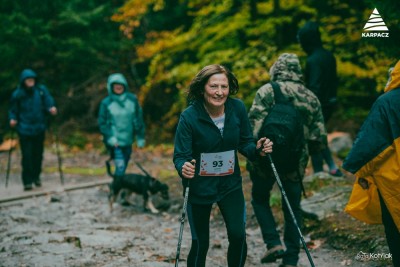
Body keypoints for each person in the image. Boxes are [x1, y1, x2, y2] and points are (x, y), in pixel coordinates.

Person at [173, 64, 273, 267]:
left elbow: (245, 142)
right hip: (199, 186)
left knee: (238, 236)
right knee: (201, 242)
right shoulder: (189, 116)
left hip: (230, 184)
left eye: (224, 87)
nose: (219, 92)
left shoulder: (237, 108)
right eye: (214, 86)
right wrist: (184, 167)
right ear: (203, 89)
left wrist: (258, 150)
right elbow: (180, 155)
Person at [247, 53, 326, 267]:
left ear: (276, 69)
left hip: (266, 159)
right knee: (293, 207)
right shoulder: (311, 97)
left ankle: (273, 243)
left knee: (259, 198)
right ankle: (291, 259)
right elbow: (318, 139)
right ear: (298, 72)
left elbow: (253, 128)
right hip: (295, 163)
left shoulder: (267, 91)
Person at [342, 61, 400, 267]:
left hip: (394, 181)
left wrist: (361, 171)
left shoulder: (388, 103)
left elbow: (372, 146)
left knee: (395, 233)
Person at [297, 21, 343, 177]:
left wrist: (307, 104)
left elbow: (315, 86)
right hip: (330, 102)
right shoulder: (328, 55)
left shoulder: (313, 60)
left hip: (318, 105)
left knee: (313, 137)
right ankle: (331, 167)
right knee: (319, 134)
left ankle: (320, 171)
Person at [98, 73, 145, 202]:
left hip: (128, 140)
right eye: (115, 85)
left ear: (124, 85)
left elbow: (138, 119)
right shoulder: (106, 103)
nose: (118, 87)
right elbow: (102, 123)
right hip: (115, 142)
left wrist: (140, 137)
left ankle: (121, 190)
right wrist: (110, 138)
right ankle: (115, 192)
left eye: (120, 85)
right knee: (120, 166)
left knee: (123, 166)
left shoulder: (132, 100)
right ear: (111, 87)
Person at [9, 68, 57, 191]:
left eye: (32, 80)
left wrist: (51, 108)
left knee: (38, 154)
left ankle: (36, 177)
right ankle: (27, 181)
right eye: (28, 80)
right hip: (24, 128)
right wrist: (13, 119)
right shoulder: (18, 94)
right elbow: (13, 109)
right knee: (27, 155)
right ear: (23, 81)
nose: (31, 82)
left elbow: (48, 101)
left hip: (39, 127)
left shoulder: (41, 91)